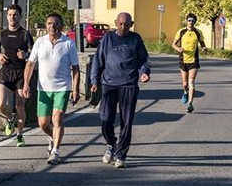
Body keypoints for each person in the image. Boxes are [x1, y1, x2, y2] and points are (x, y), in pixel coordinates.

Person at [90, 12, 150, 169]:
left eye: (127, 24)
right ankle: (111, 144)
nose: (123, 27)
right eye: (121, 23)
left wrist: (144, 72)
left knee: (127, 121)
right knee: (105, 119)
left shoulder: (135, 39)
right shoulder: (108, 38)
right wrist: (94, 80)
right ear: (116, 23)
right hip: (109, 84)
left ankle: (121, 155)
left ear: (132, 24)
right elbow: (98, 61)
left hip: (129, 85)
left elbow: (144, 60)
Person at [22, 13, 80, 165]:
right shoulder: (40, 42)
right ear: (46, 25)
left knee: (57, 118)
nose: (52, 26)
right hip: (43, 88)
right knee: (42, 123)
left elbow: (75, 69)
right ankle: (53, 139)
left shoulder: (68, 44)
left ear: (61, 25)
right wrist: (26, 84)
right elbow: (30, 64)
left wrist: (75, 90)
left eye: (55, 23)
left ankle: (55, 151)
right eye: (49, 23)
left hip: (62, 87)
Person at [0, 4, 34, 147]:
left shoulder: (25, 34)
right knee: (0, 105)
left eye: (15, 15)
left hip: (21, 73)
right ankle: (10, 118)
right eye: (10, 15)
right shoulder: (2, 33)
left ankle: (20, 136)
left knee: (20, 106)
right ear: (7, 16)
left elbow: (34, 52)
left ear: (20, 16)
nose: (12, 17)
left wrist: (26, 55)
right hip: (6, 71)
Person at [171, 12, 207, 113]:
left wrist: (204, 48)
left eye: (192, 21)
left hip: (193, 61)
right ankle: (185, 92)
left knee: (191, 81)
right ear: (186, 21)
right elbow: (173, 44)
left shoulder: (198, 32)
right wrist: (178, 49)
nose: (190, 22)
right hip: (183, 60)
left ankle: (190, 103)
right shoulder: (181, 32)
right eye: (189, 20)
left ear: (195, 22)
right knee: (185, 83)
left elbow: (202, 44)